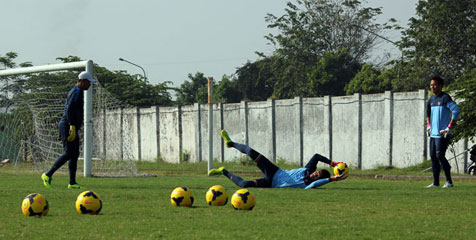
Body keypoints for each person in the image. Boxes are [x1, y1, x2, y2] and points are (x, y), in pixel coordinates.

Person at [208, 130, 348, 189]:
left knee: (244, 185)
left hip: (270, 183)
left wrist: (332, 179)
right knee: (250, 152)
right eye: (316, 173)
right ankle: (230, 143)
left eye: (316, 176)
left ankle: (223, 171)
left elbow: (315, 185)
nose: (314, 174)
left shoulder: (307, 185)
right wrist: (333, 163)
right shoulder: (308, 169)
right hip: (274, 170)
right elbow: (316, 156)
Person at [41, 71, 96, 189]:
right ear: (82, 81)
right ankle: (47, 174)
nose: (89, 85)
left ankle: (72, 183)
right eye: (88, 82)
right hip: (67, 125)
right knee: (69, 152)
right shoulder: (76, 91)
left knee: (75, 153)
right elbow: (70, 109)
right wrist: (71, 126)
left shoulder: (79, 91)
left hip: (72, 125)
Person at [426, 75, 460, 188]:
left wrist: (449, 127)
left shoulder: (445, 98)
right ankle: (436, 183)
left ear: (440, 86)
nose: (433, 87)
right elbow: (428, 113)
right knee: (433, 156)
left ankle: (449, 182)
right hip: (433, 134)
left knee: (440, 155)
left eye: (435, 85)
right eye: (431, 85)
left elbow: (456, 110)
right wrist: (429, 125)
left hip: (442, 134)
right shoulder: (431, 99)